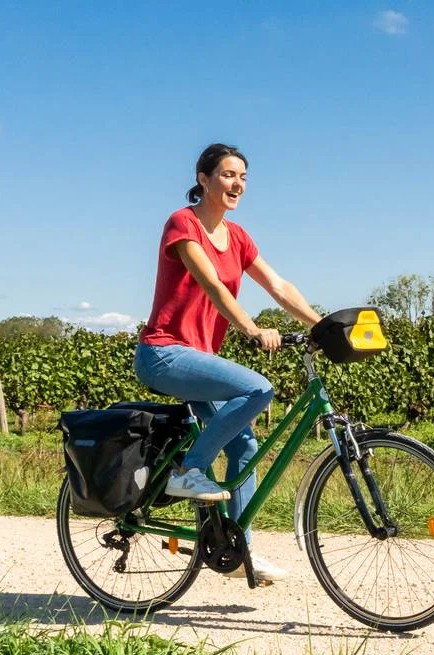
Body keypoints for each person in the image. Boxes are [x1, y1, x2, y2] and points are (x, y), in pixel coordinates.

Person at [134, 143, 323, 584]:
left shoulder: (237, 236)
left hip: (197, 357)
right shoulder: (183, 223)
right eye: (227, 175)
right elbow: (214, 286)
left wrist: (323, 325)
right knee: (258, 388)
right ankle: (188, 470)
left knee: (244, 446)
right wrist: (252, 330)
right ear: (203, 179)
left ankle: (240, 552)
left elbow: (277, 284)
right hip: (163, 353)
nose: (237, 183)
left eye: (243, 176)